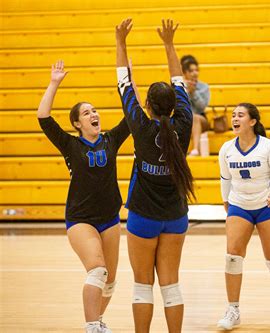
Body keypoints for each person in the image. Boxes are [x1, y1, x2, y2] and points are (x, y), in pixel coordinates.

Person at [38, 60, 130, 333]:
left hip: (110, 218)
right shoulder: (70, 144)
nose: (94, 114)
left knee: (110, 280)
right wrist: (54, 83)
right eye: (87, 112)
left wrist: (129, 79)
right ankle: (91, 326)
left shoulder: (111, 139)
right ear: (78, 123)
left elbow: (132, 114)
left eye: (95, 110)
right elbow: (43, 118)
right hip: (81, 219)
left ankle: (97, 321)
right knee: (97, 270)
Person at [115, 18, 194, 333]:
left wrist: (121, 42)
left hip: (143, 216)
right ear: (175, 105)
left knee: (142, 285)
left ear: (146, 105)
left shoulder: (141, 126)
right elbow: (179, 80)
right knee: (171, 285)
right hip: (175, 215)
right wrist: (169, 44)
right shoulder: (185, 121)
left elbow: (123, 82)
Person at [217, 103, 270, 330]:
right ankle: (233, 310)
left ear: (252, 121)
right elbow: (225, 179)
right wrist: (226, 202)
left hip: (268, 205)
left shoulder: (268, 147)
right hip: (239, 205)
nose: (234, 118)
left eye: (240, 115)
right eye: (233, 115)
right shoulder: (226, 148)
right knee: (232, 257)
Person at [181, 55, 211, 156]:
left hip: (200, 118)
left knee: (195, 118)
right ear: (185, 73)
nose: (194, 73)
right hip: (184, 119)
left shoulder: (204, 87)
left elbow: (202, 107)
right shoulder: (180, 87)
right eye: (191, 71)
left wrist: (193, 94)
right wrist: (187, 92)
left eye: (196, 70)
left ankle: (195, 149)